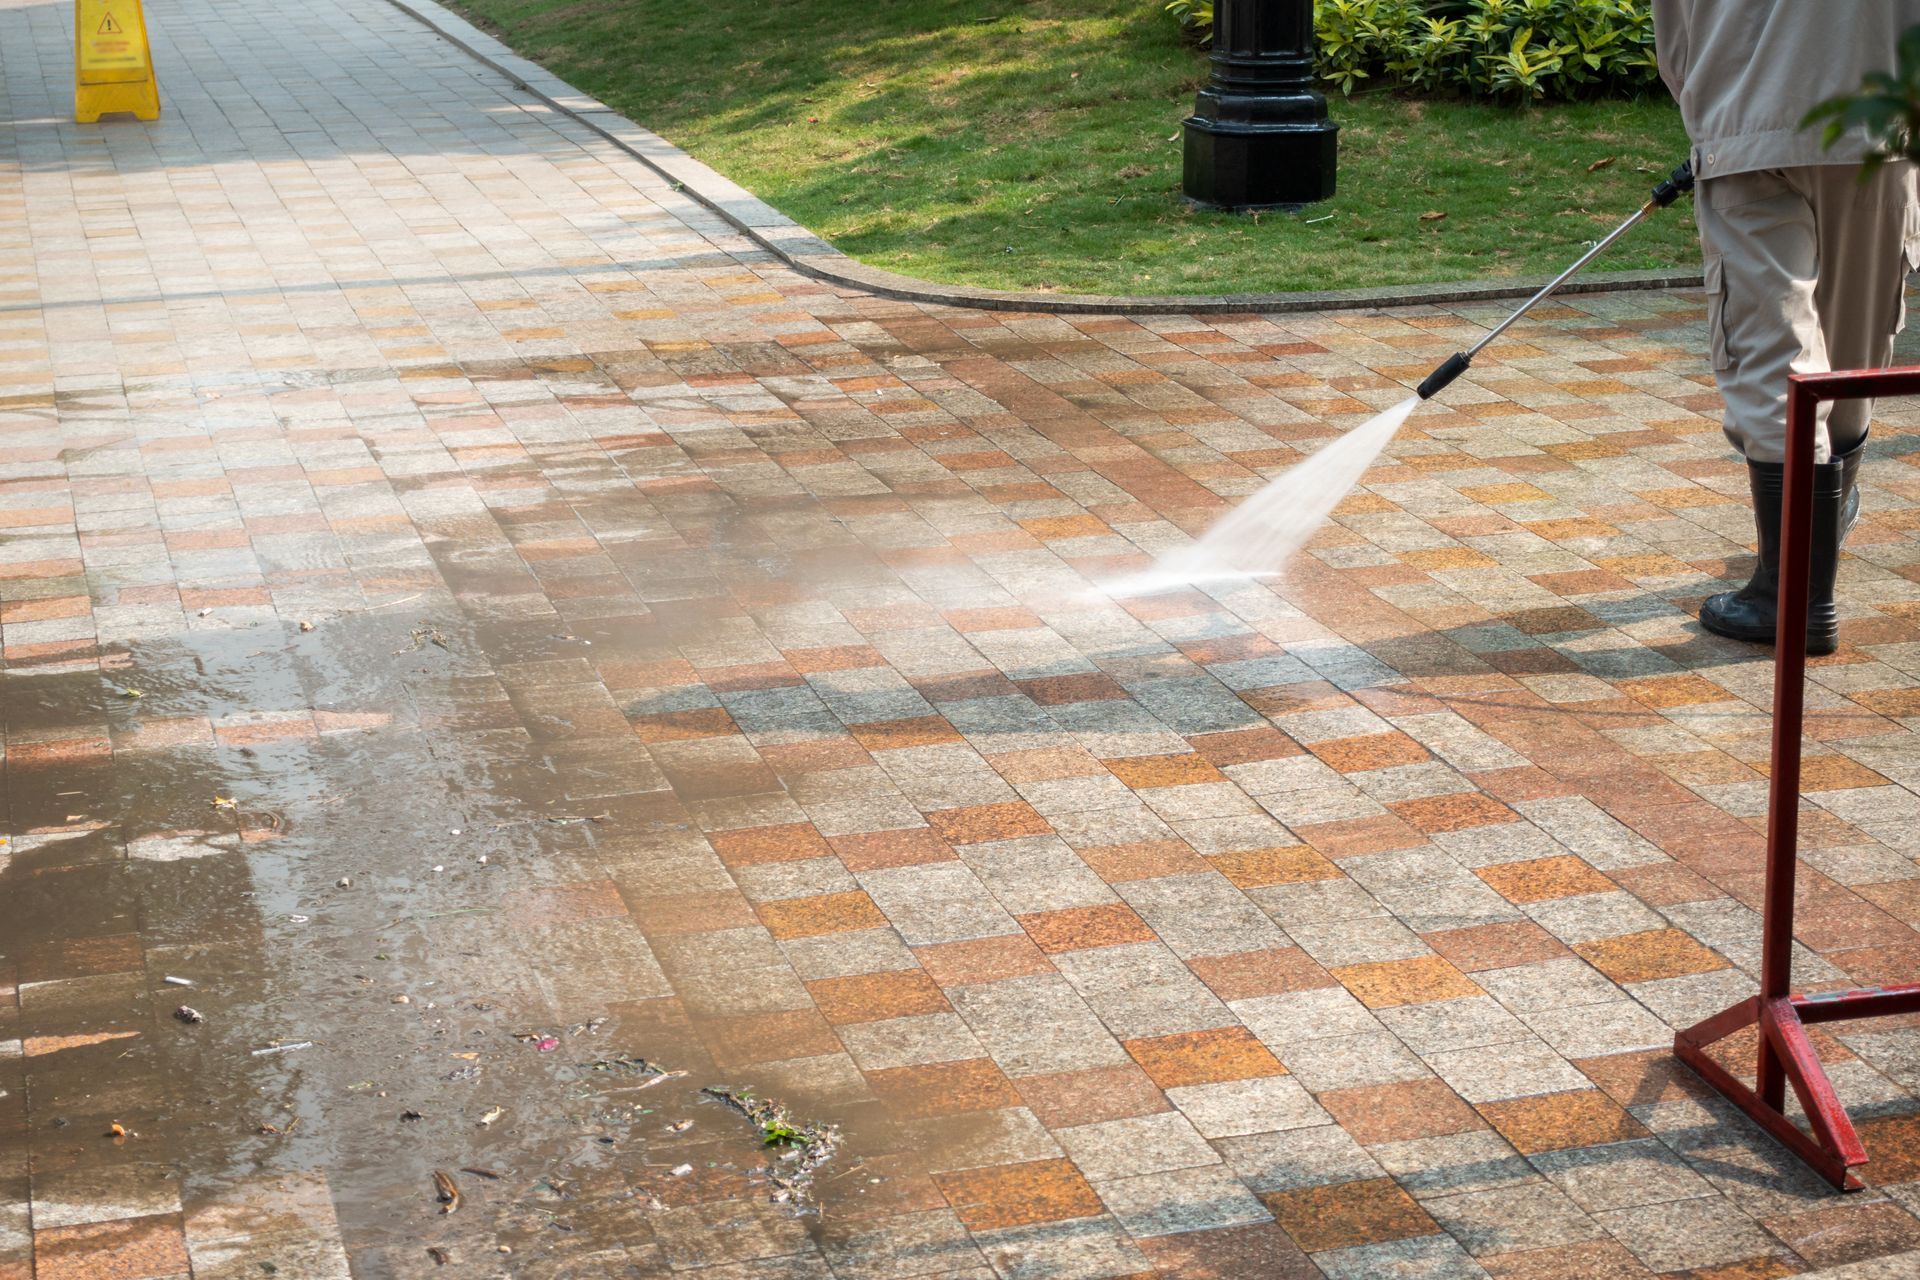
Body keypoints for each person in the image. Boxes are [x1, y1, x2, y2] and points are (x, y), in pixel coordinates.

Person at [1654, 1, 1920, 656]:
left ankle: (1792, 597)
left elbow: (1676, 40)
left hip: (1754, 128)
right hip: (1882, 124)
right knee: (1854, 349)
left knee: (1778, 363)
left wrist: (1716, 117)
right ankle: (1819, 540)